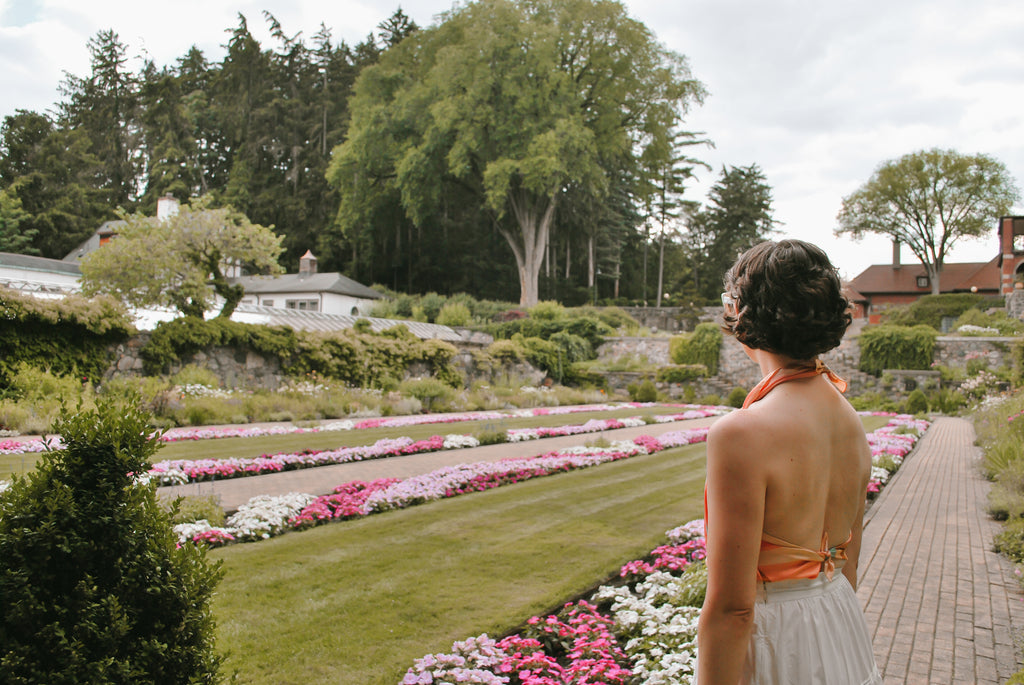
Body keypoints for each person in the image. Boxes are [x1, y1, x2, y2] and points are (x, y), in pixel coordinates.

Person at [695, 239, 882, 685]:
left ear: (743, 316)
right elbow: (848, 560)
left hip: (776, 637)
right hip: (838, 618)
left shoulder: (741, 432)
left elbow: (734, 608)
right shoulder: (849, 418)